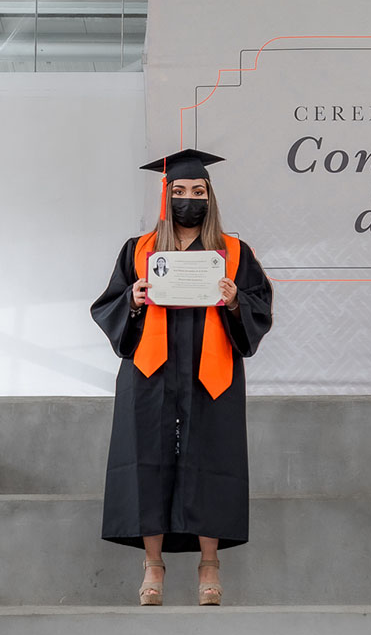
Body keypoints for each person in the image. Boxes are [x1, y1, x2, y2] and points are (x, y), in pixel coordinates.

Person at [91, 148, 273, 606]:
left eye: (198, 191)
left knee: (211, 459)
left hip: (211, 370)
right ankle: (153, 564)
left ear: (210, 197)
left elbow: (259, 306)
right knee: (146, 459)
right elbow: (107, 305)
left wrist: (235, 302)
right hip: (150, 371)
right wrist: (132, 298)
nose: (189, 199)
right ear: (165, 197)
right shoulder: (139, 250)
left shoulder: (233, 251)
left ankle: (209, 563)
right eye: (180, 191)